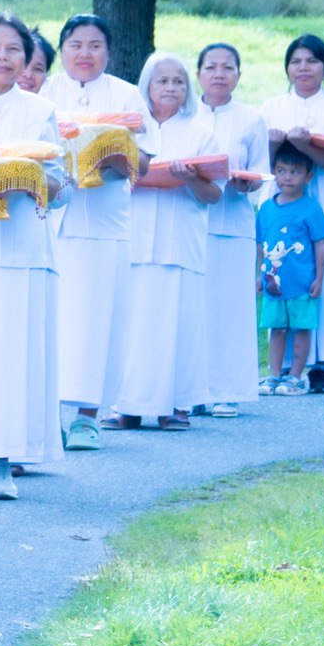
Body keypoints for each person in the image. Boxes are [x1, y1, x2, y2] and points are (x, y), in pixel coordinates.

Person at [0, 13, 60, 493]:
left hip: (18, 242)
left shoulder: (40, 110)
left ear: (27, 59)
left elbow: (61, 181)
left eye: (13, 51)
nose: (3, 58)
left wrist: (25, 179)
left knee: (7, 352)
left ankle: (0, 459)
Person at [39, 14, 142, 451]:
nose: (85, 53)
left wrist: (110, 152)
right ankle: (47, 415)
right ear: (62, 49)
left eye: (95, 45)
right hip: (54, 221)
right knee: (56, 319)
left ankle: (88, 416)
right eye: (76, 44)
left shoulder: (126, 94)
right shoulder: (46, 93)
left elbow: (145, 163)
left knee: (100, 318)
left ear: (109, 50)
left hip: (103, 223)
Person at [112, 52, 217, 430]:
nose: (170, 87)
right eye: (162, 80)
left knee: (179, 323)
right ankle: (127, 405)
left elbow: (214, 194)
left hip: (180, 241)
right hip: (134, 237)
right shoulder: (131, 130)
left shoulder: (200, 131)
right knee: (133, 324)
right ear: (147, 85)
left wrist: (189, 178)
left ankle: (177, 405)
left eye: (178, 81)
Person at [254, 34, 324, 391]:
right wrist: (273, 143)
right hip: (281, 213)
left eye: (312, 61)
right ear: (287, 67)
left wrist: (303, 143)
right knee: (281, 282)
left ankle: (319, 365)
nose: (304, 68)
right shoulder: (270, 107)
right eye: (296, 61)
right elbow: (262, 162)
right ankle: (280, 367)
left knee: (321, 288)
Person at [189, 43, 271, 416]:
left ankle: (227, 390)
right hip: (192, 222)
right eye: (211, 67)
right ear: (199, 74)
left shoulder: (252, 118)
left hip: (234, 222)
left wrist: (247, 184)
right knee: (195, 307)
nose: (219, 74)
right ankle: (191, 388)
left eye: (228, 67)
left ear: (239, 74)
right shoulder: (185, 117)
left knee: (231, 308)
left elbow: (261, 173)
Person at [254, 144, 324, 393]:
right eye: (281, 170)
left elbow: (320, 245)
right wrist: (258, 274)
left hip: (301, 284)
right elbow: (260, 245)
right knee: (276, 329)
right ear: (274, 173)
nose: (287, 177)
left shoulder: (311, 207)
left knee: (300, 329)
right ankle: (274, 375)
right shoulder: (266, 208)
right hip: (273, 284)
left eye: (295, 172)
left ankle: (295, 377)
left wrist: (319, 278)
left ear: (308, 177)